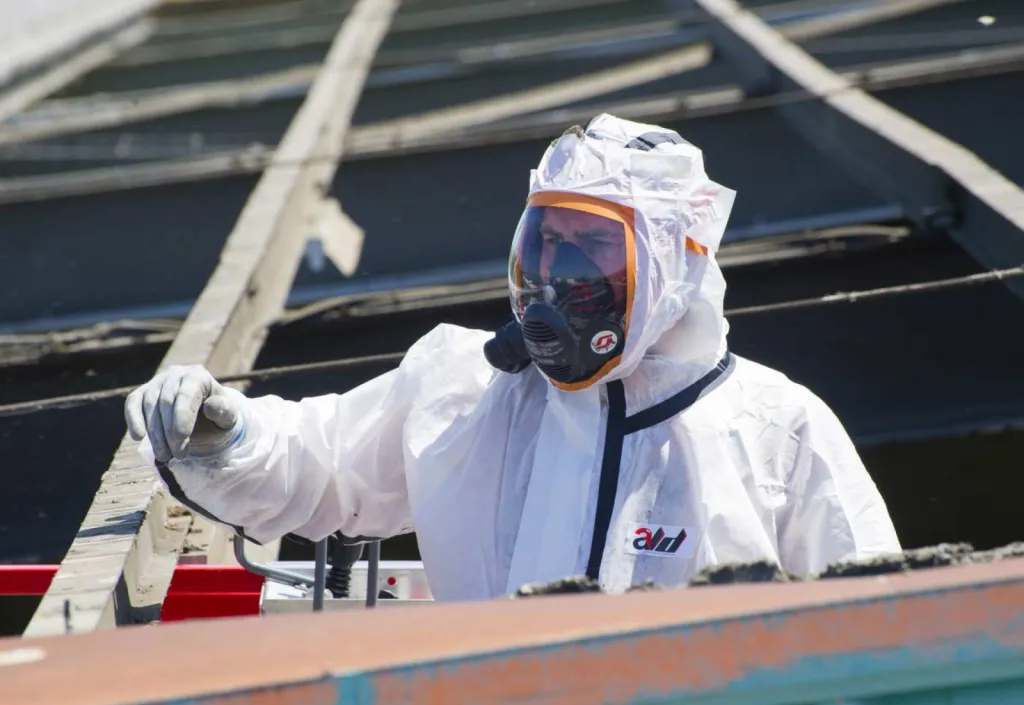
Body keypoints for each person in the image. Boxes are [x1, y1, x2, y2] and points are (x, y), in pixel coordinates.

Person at [125, 114, 901, 601]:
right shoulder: (467, 389)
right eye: (548, 243)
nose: (556, 281)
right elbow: (323, 467)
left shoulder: (779, 430)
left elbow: (883, 631)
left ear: (675, 262)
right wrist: (225, 434)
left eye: (591, 249)